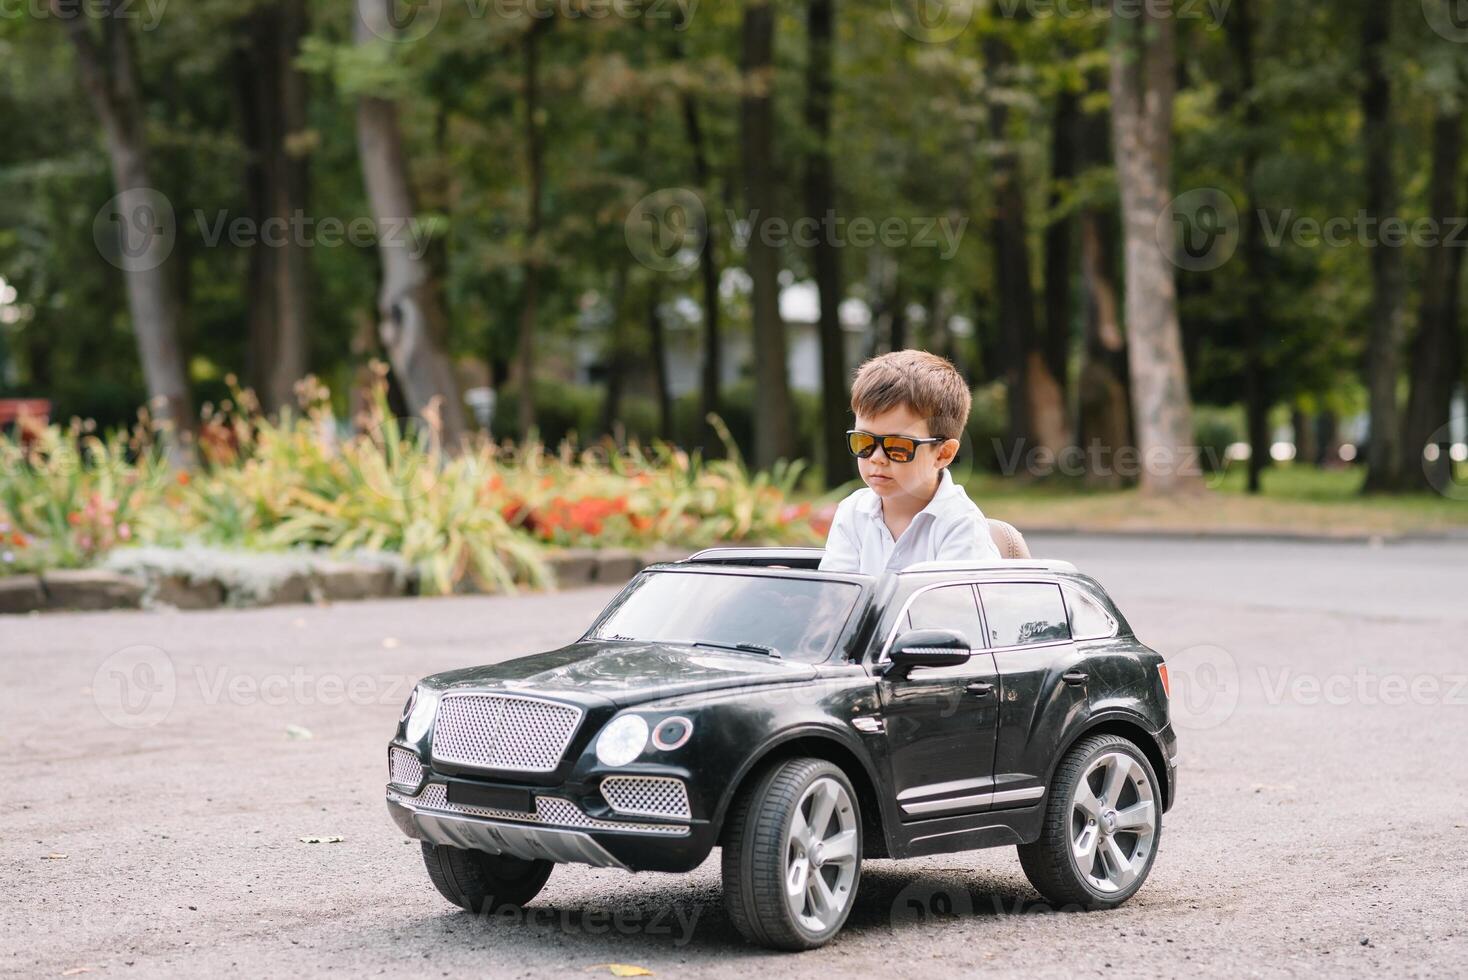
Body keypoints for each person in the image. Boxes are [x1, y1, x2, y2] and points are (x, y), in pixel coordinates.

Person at [819, 350, 999, 575]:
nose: (876, 457)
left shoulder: (960, 525)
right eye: (863, 441)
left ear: (943, 454)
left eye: (898, 446)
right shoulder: (852, 512)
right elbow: (837, 599)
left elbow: (952, 607)